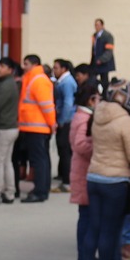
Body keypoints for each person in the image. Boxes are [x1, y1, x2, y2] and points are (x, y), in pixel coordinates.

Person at [84, 81, 130, 260]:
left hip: (93, 176)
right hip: (115, 180)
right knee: (110, 228)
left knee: (94, 226)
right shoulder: (126, 121)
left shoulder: (97, 115)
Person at [67, 81, 98, 260]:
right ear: (91, 99)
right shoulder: (85, 118)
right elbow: (80, 145)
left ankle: (83, 255)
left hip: (81, 170)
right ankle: (84, 256)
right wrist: (98, 150)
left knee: (85, 216)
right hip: (84, 171)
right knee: (87, 217)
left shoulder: (80, 116)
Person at [16, 55, 56, 201]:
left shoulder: (38, 80)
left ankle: (40, 191)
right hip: (34, 127)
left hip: (37, 127)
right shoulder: (33, 78)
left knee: (39, 160)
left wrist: (52, 124)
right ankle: (41, 189)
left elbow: (47, 105)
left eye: (26, 64)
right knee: (41, 159)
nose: (23, 66)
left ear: (34, 64)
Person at [0, 58, 21, 205]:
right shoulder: (11, 83)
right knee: (7, 162)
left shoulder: (5, 86)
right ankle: (9, 193)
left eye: (2, 66)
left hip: (2, 127)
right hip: (11, 126)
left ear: (10, 69)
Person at [51, 58, 77, 191]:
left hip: (66, 121)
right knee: (64, 151)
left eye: (56, 68)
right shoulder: (63, 81)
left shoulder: (66, 82)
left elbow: (68, 103)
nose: (53, 70)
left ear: (64, 69)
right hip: (65, 119)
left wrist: (61, 120)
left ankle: (67, 182)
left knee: (65, 151)